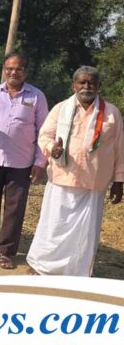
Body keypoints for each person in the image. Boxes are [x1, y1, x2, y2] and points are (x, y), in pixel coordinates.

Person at [27, 66, 123, 276]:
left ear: (98, 86)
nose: (86, 86)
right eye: (82, 82)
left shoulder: (111, 112)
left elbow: (119, 148)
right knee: (54, 226)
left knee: (84, 233)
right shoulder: (61, 108)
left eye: (91, 82)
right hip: (63, 178)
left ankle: (77, 271)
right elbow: (45, 136)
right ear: (74, 85)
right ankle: (42, 266)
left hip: (94, 183)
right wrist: (52, 148)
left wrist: (119, 180)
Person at [0, 52, 48, 269]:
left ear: (26, 72)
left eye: (18, 69)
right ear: (4, 70)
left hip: (21, 162)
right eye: (9, 69)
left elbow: (44, 131)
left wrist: (40, 162)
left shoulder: (36, 97)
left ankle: (6, 251)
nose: (13, 73)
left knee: (14, 208)